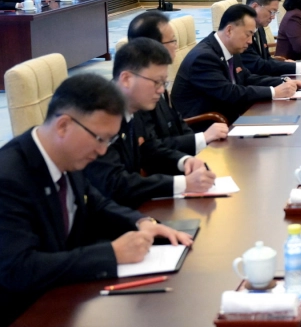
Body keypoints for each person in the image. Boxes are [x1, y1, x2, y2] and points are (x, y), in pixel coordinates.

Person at [0, 74, 191, 327]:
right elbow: (19, 270)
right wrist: (111, 254)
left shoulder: (65, 156)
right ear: (63, 125)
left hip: (50, 306)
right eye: (99, 139)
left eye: (108, 141)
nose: (103, 151)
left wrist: (141, 223)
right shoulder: (3, 182)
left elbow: (96, 205)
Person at [84, 39, 218, 208]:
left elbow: (149, 150)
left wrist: (184, 161)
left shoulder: (131, 106)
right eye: (156, 82)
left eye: (163, 83)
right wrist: (182, 184)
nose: (161, 90)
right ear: (126, 79)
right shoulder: (99, 117)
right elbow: (115, 184)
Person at [171, 4, 301, 123]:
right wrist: (274, 92)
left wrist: (283, 81)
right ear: (229, 30)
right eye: (248, 34)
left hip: (230, 116)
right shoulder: (204, 58)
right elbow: (229, 93)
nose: (250, 41)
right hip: (210, 125)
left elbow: (247, 78)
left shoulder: (232, 48)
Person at [126, 11, 230, 157]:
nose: (176, 46)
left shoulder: (157, 79)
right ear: (152, 46)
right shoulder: (135, 90)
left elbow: (178, 123)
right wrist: (202, 138)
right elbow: (151, 149)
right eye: (172, 41)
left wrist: (197, 150)